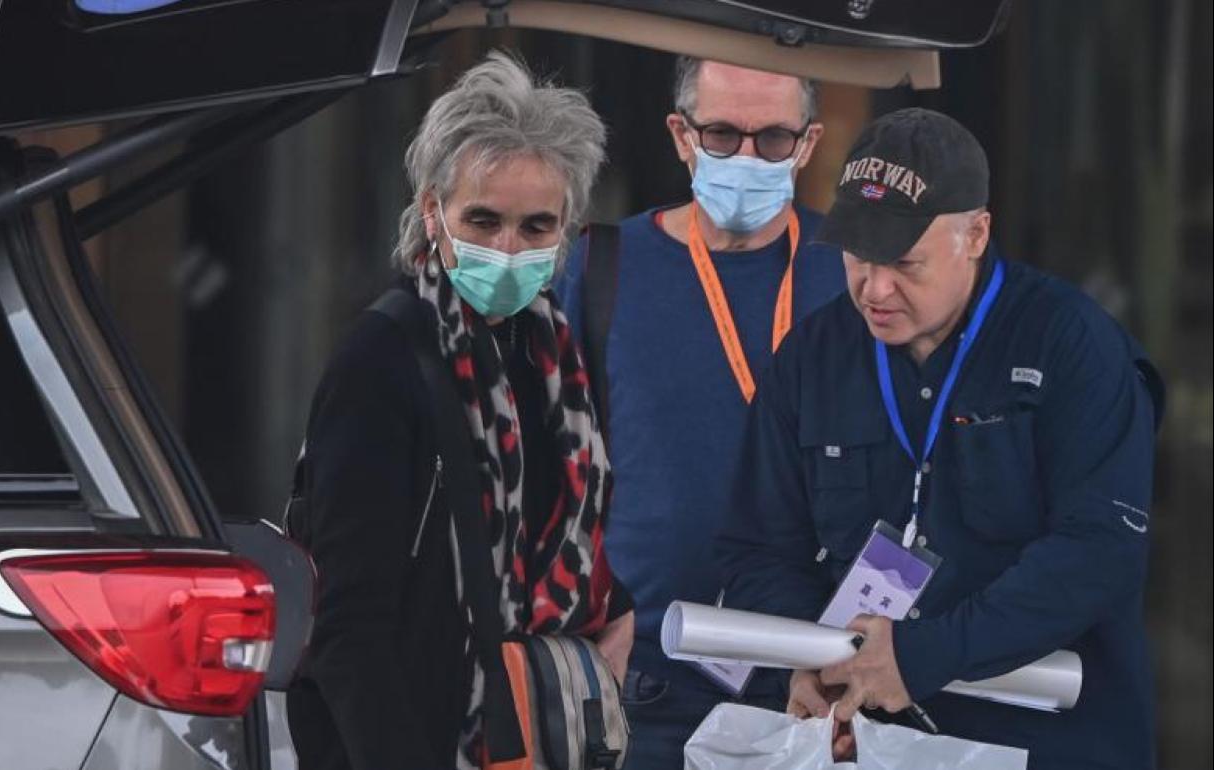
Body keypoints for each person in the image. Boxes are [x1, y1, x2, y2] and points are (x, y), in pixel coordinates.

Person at [717, 107, 1162, 769]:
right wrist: (806, 660)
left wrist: (924, 654)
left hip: (1051, 742)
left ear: (975, 234)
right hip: (870, 744)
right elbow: (759, 546)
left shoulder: (1071, 345)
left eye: (904, 262)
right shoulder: (814, 357)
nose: (875, 288)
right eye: (858, 257)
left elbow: (1098, 550)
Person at [286, 52, 634, 770]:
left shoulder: (552, 355)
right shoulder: (384, 360)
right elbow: (348, 626)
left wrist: (613, 609)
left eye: (537, 227)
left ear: (566, 229)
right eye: (484, 220)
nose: (508, 249)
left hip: (535, 736)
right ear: (432, 214)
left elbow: (548, 531)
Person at [557, 57, 846, 769]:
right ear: (681, 137)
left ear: (807, 145)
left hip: (817, 673)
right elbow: (552, 465)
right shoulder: (602, 266)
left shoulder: (853, 273)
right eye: (722, 135)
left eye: (772, 140)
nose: (747, 157)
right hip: (644, 675)